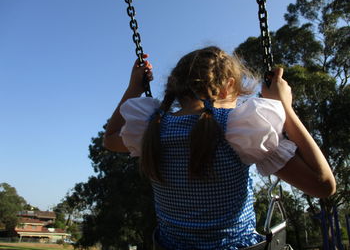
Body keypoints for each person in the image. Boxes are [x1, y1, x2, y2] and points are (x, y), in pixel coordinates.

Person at [103, 46, 336, 249]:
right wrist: (285, 107)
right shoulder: (240, 130)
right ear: (228, 86)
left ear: (175, 88)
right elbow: (323, 185)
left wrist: (133, 87)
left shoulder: (151, 129)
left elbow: (110, 138)